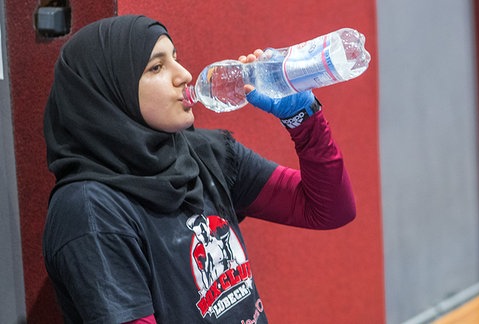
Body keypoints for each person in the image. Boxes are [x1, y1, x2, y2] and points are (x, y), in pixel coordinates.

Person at [42, 14, 356, 324]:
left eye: (175, 58)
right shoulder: (90, 210)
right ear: (109, 93)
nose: (185, 75)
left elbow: (329, 209)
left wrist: (303, 118)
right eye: (157, 67)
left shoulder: (205, 152)